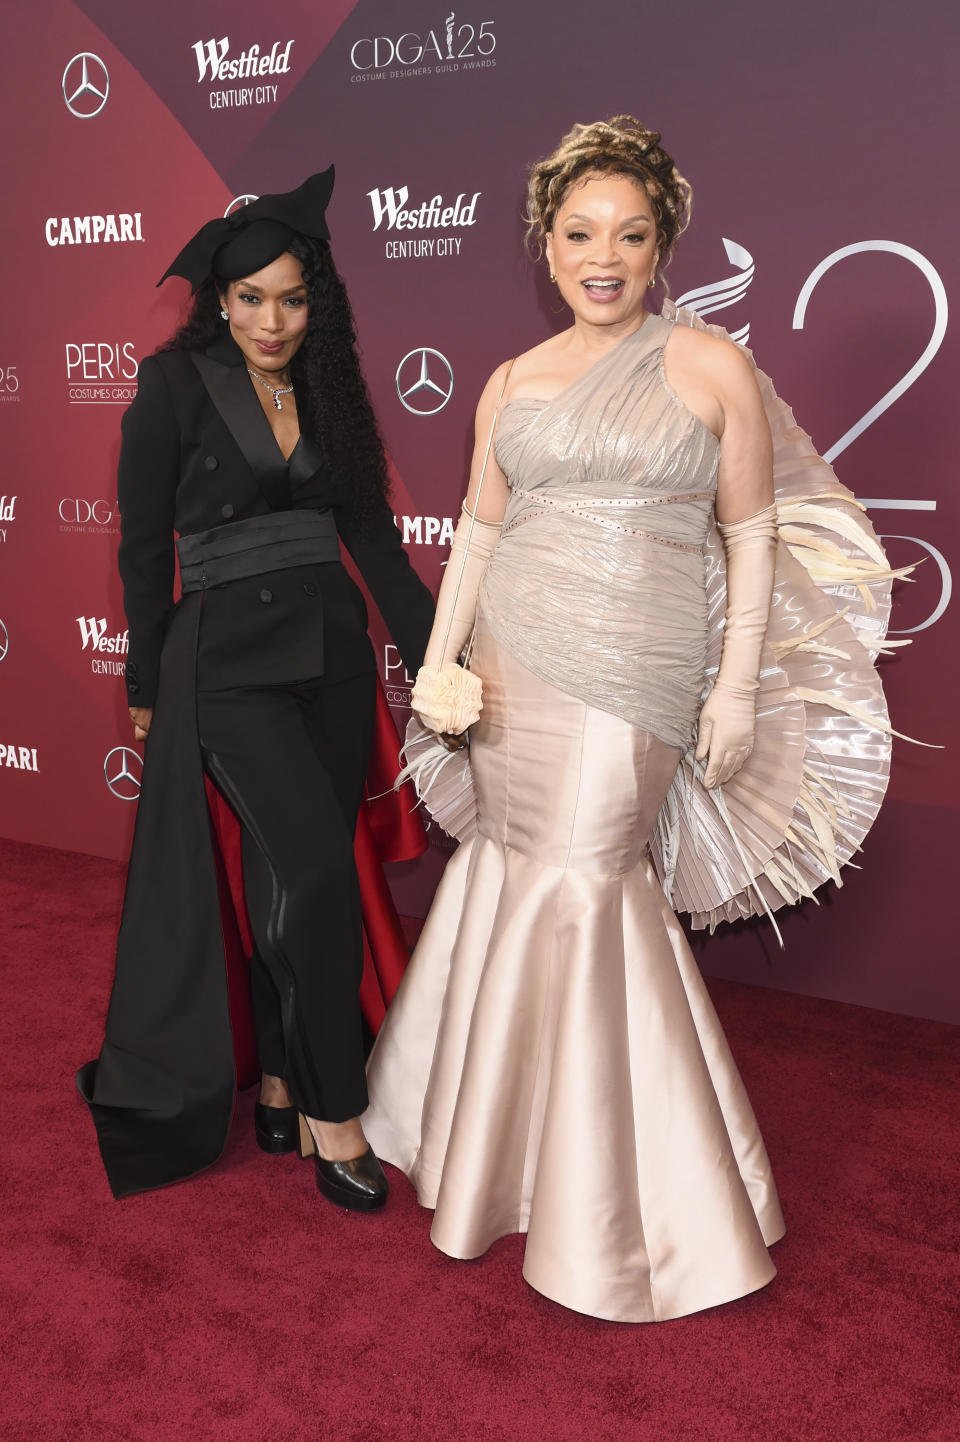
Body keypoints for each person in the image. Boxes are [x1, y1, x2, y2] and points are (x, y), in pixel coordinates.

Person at [363, 119, 901, 1319]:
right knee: (511, 872)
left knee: (589, 879)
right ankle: (492, 1154)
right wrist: (439, 666)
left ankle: (620, 1203)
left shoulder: (710, 367)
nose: (602, 257)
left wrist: (732, 687)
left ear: (664, 244)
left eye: (631, 235)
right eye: (578, 233)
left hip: (637, 685)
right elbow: (483, 534)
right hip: (512, 673)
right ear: (543, 241)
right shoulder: (510, 380)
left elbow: (751, 534)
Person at [77, 170, 434, 1210]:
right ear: (217, 302)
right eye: (251, 299)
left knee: (295, 880)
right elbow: (145, 552)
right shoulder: (171, 387)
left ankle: (279, 1072)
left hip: (329, 656)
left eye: (293, 297)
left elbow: (373, 540)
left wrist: (440, 654)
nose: (273, 320)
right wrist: (148, 681)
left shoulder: (333, 390)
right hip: (224, 666)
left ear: (316, 301)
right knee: (317, 874)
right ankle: (333, 1106)